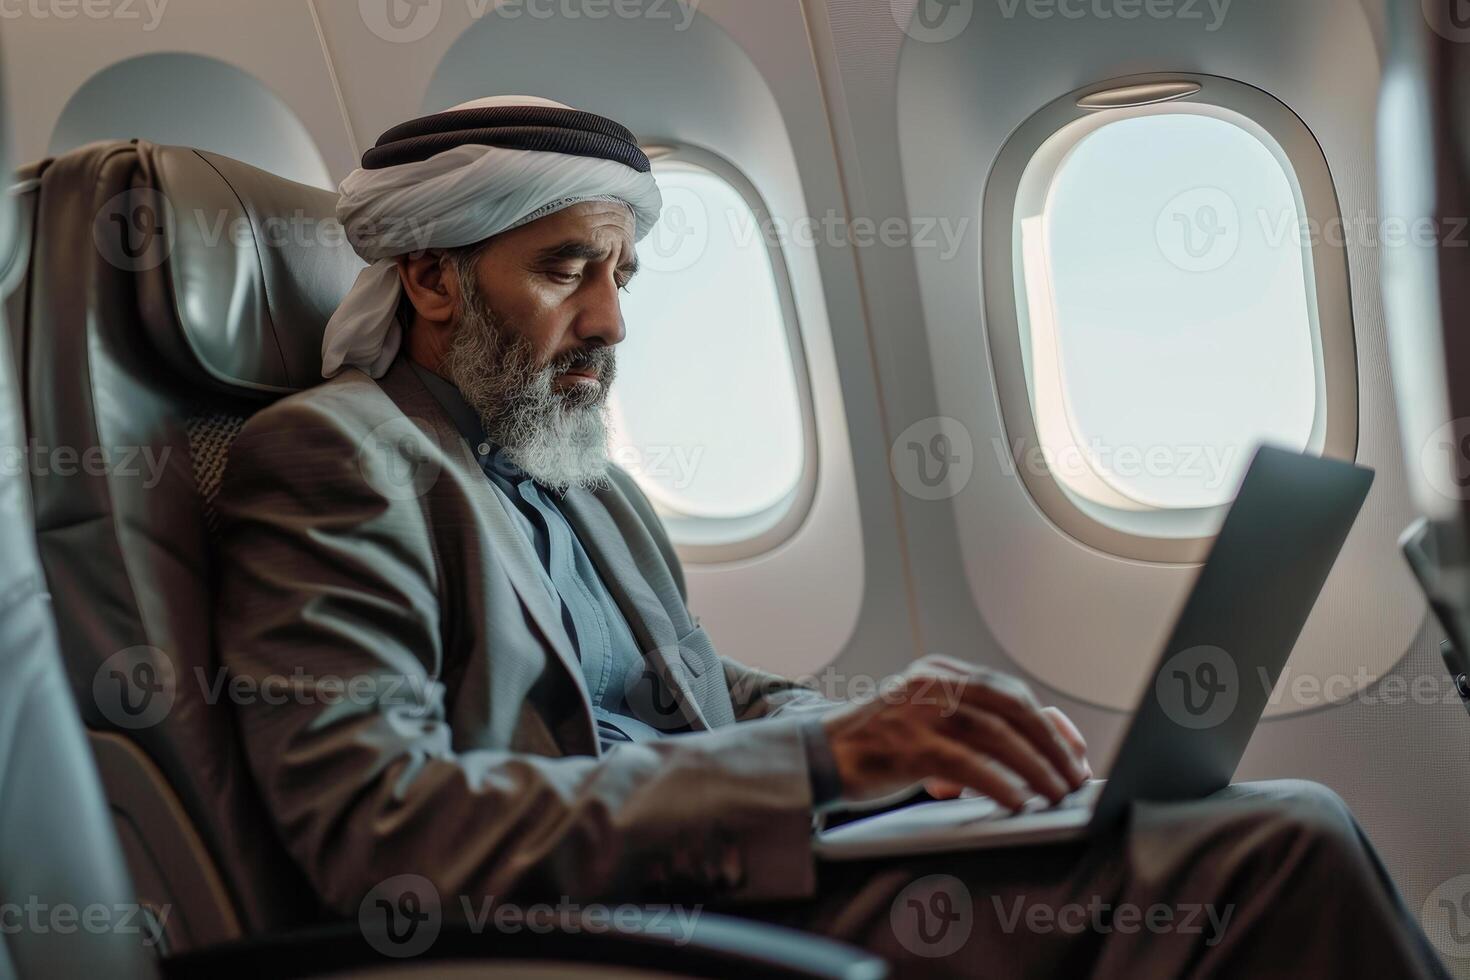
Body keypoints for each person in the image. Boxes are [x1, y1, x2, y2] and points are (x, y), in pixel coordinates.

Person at [213, 95, 1447, 977]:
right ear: (432, 280)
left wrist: (905, 732)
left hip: (751, 856)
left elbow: (702, 695)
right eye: (566, 269)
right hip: (616, 922)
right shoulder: (336, 457)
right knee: (1268, 849)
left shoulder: (579, 472)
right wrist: (824, 767)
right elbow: (384, 830)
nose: (610, 321)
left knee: (1247, 819)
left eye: (622, 275)